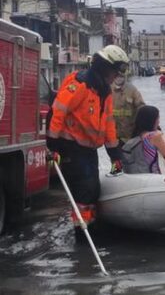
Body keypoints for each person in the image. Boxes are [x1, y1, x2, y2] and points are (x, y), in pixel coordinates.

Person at [47, 45, 129, 237]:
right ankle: (82, 234)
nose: (115, 77)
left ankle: (90, 227)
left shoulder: (104, 91)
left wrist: (115, 155)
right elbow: (57, 113)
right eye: (115, 72)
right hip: (71, 147)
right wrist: (53, 146)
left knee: (93, 190)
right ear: (105, 68)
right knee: (85, 190)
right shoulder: (80, 84)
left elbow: (108, 124)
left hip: (89, 149)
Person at [120, 105, 165, 174]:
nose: (159, 121)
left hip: (137, 175)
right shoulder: (155, 136)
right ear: (153, 120)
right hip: (153, 176)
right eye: (158, 118)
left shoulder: (135, 138)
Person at [112, 73, 146, 147]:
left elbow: (141, 107)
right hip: (113, 134)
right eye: (116, 76)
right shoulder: (108, 89)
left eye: (121, 76)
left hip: (130, 133)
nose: (119, 78)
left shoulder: (132, 89)